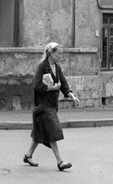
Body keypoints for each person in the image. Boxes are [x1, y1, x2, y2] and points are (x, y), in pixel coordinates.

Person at [23, 42, 79, 171]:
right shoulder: (42, 67)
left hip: (52, 106)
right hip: (43, 106)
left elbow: (64, 84)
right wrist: (52, 88)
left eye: (61, 53)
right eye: (59, 53)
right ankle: (60, 162)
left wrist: (72, 95)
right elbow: (36, 86)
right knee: (53, 131)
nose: (61, 56)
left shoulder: (57, 68)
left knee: (39, 134)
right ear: (51, 53)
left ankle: (28, 155)